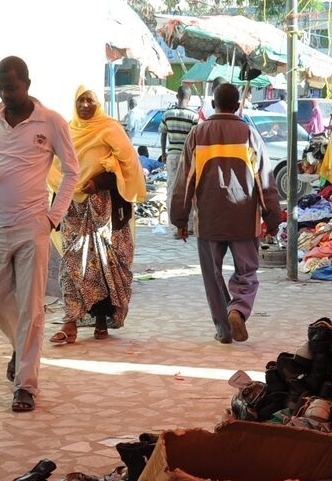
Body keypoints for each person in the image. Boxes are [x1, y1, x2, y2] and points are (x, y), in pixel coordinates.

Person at [0, 56, 79, 412]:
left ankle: (26, 386)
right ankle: (20, 347)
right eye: (0, 87)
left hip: (33, 225)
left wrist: (53, 217)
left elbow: (72, 171)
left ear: (27, 84)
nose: (5, 93)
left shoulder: (51, 121)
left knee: (32, 307)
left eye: (12, 87)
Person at [171, 82, 281, 344]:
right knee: (247, 272)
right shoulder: (250, 134)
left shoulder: (198, 134)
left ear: (213, 104)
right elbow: (265, 181)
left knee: (213, 276)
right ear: (238, 105)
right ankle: (238, 309)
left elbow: (184, 181)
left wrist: (179, 219)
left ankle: (224, 329)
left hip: (209, 221)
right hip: (244, 220)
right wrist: (272, 218)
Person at [53, 85, 145, 346]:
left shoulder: (110, 129)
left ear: (98, 103)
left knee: (105, 264)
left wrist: (100, 181)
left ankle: (102, 318)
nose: (85, 105)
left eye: (90, 100)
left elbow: (128, 165)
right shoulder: (67, 131)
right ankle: (70, 321)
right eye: (80, 100)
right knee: (72, 263)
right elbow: (56, 168)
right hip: (73, 208)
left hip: (104, 209)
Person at [159, 86, 199, 164]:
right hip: (187, 156)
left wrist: (163, 154)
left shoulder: (167, 114)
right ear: (189, 98)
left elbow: (163, 136)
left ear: (177, 96)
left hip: (172, 156)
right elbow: (195, 138)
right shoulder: (194, 116)